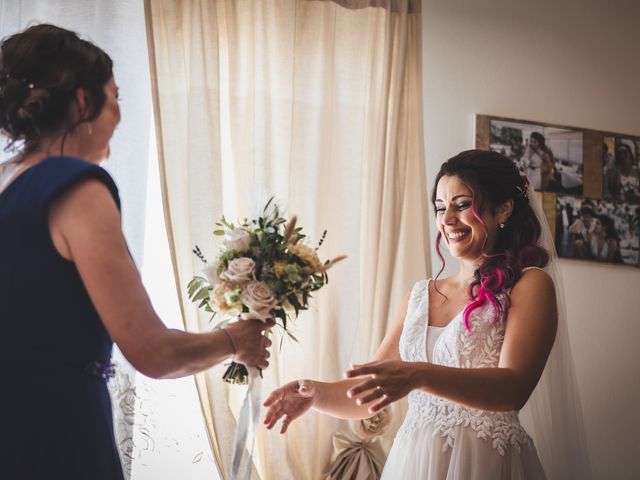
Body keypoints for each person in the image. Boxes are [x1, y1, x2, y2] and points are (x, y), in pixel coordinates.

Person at [0, 24, 272, 480]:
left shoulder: (8, 186)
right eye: (116, 95)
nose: (120, 113)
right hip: (56, 433)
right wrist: (235, 341)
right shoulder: (76, 187)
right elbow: (153, 352)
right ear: (84, 102)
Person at [264, 150, 590, 479]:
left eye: (462, 205)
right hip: (415, 460)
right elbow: (370, 390)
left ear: (502, 209)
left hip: (486, 462)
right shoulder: (420, 295)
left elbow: (513, 389)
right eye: (440, 207)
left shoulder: (529, 284)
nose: (447, 219)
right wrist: (314, 393)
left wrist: (420, 375)